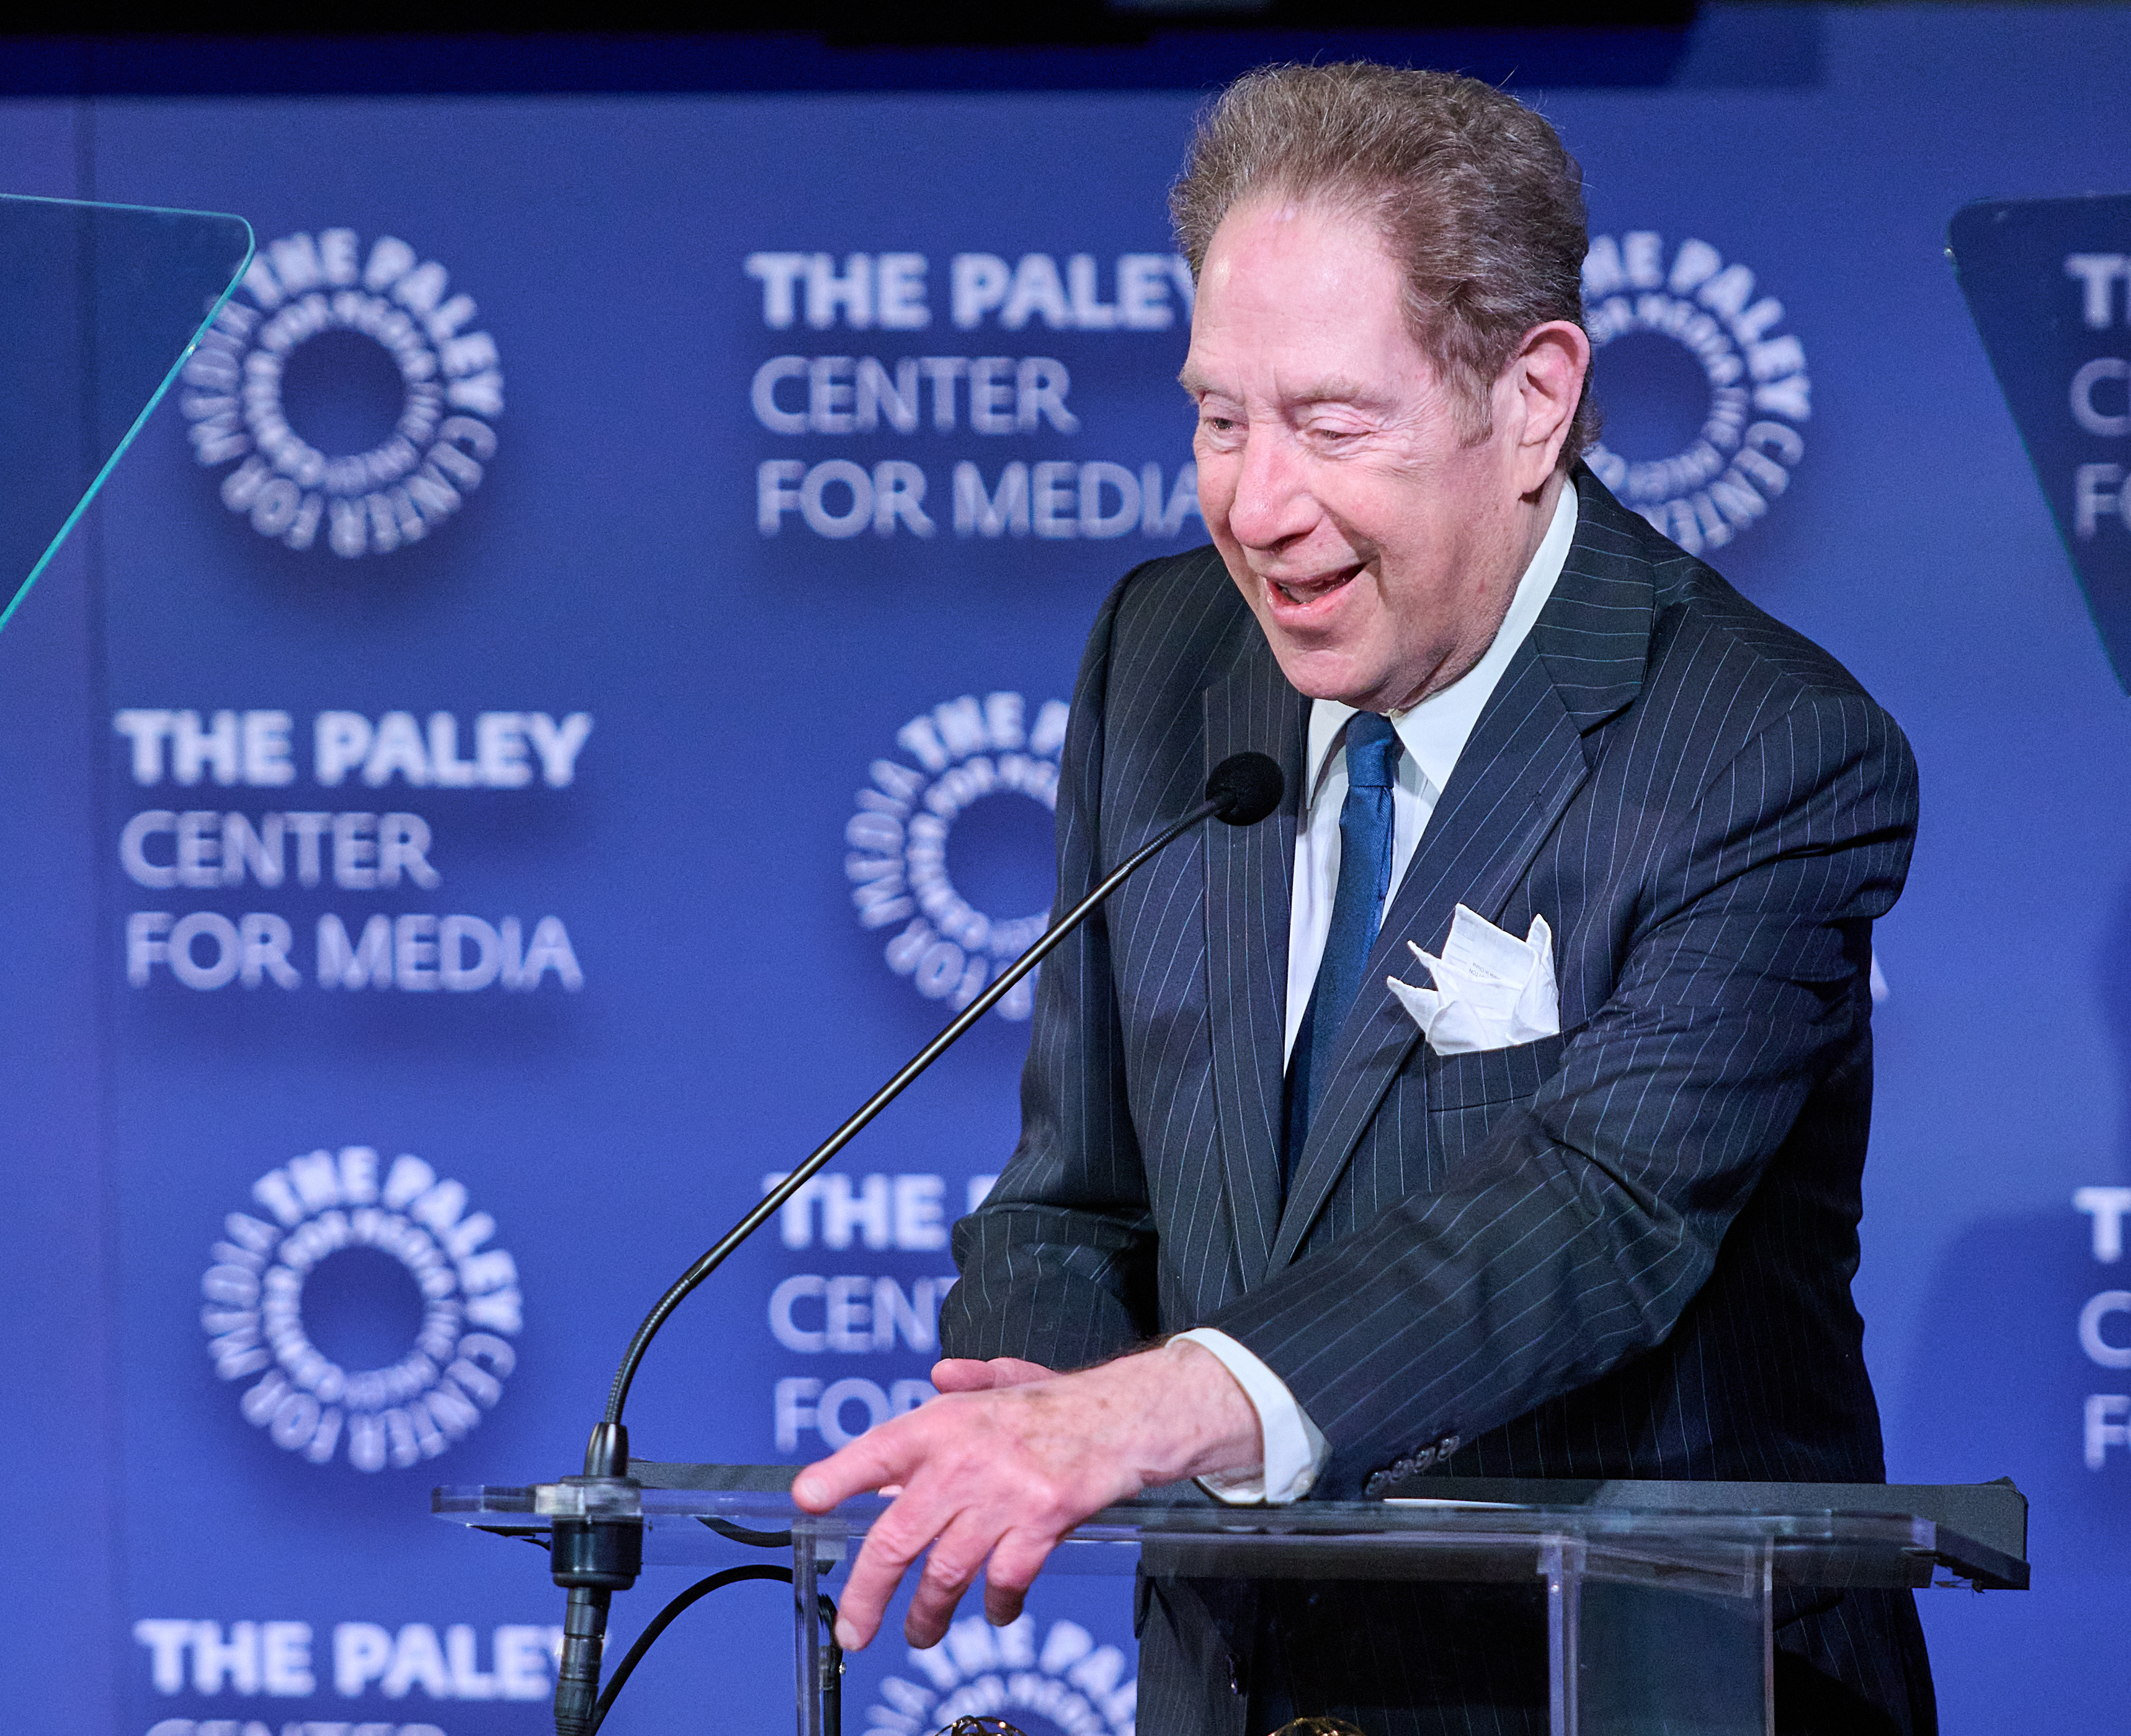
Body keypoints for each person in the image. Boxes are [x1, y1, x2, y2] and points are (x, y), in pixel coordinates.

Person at [795, 61, 1932, 1735]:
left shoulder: (1761, 748)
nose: (1258, 507)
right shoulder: (1165, 657)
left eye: (1332, 425)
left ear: (1532, 398)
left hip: (1635, 1690)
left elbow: (1600, 1211)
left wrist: (1156, 1410)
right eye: (1220, 418)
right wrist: (1045, 1381)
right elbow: (1078, 1194)